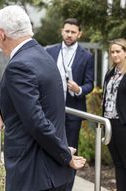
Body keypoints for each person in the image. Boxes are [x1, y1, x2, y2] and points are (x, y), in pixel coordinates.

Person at [0, 5, 86, 191]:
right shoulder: (41, 54)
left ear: (1, 34)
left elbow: (37, 122)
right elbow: (8, 86)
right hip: (51, 173)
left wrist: (65, 155)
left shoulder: (20, 64)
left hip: (33, 175)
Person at [46, 18, 94, 190]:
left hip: (74, 111)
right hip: (51, 111)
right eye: (67, 31)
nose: (69, 34)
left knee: (70, 150)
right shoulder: (50, 51)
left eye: (73, 32)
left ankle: (66, 187)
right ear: (62, 31)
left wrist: (79, 88)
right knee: (50, 147)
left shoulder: (87, 56)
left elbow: (90, 83)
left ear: (79, 34)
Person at [102, 38, 126, 191]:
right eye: (112, 52)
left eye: (118, 51)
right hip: (110, 124)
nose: (115, 54)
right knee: (117, 164)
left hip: (125, 125)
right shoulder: (109, 74)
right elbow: (104, 99)